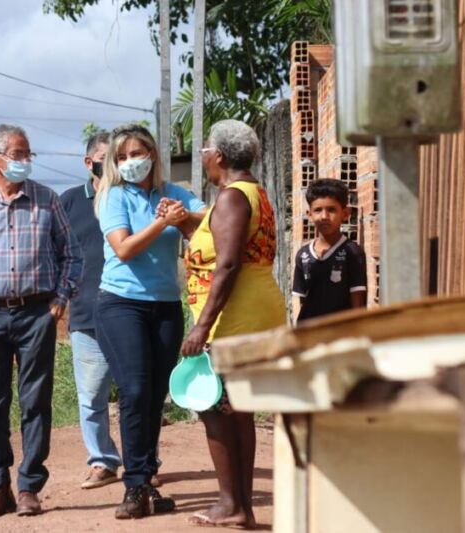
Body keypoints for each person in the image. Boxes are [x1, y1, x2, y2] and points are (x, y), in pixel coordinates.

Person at [0, 124, 83, 522]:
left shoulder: (47, 200)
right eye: (19, 153)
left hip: (36, 314)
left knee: (35, 402)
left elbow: (72, 256)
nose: (26, 160)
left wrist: (60, 299)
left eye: (28, 154)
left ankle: (29, 487)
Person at [94, 123, 206, 520]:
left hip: (164, 305)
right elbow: (123, 248)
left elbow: (204, 226)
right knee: (135, 390)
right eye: (122, 157)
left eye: (137, 154)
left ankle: (148, 474)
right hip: (120, 304)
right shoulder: (113, 196)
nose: (130, 163)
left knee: (157, 393)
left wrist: (183, 218)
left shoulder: (174, 194)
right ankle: (135, 485)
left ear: (153, 155)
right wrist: (163, 223)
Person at [181, 120, 286, 528]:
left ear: (219, 156)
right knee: (236, 409)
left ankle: (231, 504)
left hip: (235, 316)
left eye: (206, 150)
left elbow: (226, 264)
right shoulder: (251, 193)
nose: (204, 156)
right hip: (251, 309)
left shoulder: (231, 198)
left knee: (215, 407)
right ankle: (240, 505)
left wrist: (200, 328)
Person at [59, 132, 123, 489]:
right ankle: (103, 461)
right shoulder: (68, 202)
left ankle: (146, 461)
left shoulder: (129, 197)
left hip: (130, 310)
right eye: (105, 156)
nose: (113, 161)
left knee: (135, 392)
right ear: (89, 163)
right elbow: (55, 253)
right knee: (92, 395)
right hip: (86, 313)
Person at [292, 178, 367, 322]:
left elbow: (358, 301)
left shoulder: (352, 252)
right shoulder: (303, 255)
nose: (324, 217)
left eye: (331, 210)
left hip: (340, 335)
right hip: (309, 333)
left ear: (345, 213)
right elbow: (298, 297)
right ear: (309, 214)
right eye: (318, 210)